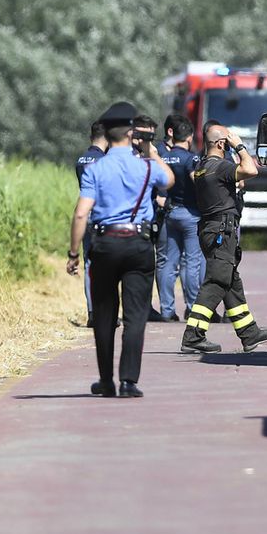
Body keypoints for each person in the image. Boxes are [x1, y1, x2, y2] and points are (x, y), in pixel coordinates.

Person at [68, 102, 173, 397]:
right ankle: (128, 381)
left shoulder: (95, 168)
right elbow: (171, 179)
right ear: (131, 132)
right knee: (136, 314)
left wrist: (74, 253)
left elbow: (80, 214)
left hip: (104, 244)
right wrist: (150, 149)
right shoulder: (147, 165)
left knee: (104, 314)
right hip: (139, 244)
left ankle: (105, 380)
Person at [180, 122, 267, 355]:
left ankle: (248, 332)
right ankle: (193, 335)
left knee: (231, 282)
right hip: (222, 231)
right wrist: (240, 146)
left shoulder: (203, 167)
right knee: (217, 281)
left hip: (211, 230)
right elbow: (251, 171)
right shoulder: (220, 166)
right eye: (228, 140)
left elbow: (237, 178)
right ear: (222, 143)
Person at [155, 113, 204, 322]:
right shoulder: (191, 159)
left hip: (169, 212)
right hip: (190, 214)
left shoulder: (162, 158)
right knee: (191, 262)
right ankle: (192, 307)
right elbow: (199, 184)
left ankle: (167, 310)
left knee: (167, 262)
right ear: (190, 138)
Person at [73, 121, 109, 323]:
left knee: (89, 264)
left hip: (85, 213)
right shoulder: (104, 161)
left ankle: (92, 312)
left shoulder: (81, 159)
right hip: (101, 216)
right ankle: (106, 312)